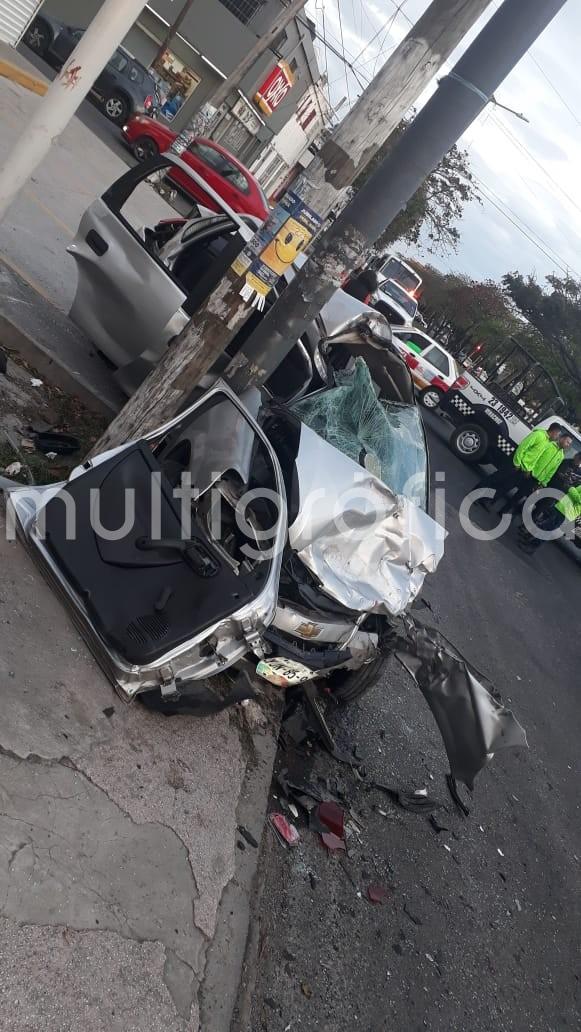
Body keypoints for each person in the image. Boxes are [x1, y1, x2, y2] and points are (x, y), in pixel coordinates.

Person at [475, 422, 563, 511]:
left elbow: (535, 458)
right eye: (558, 435)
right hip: (515, 464)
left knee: (504, 486)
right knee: (495, 478)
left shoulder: (547, 442)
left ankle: (485, 500)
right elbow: (522, 447)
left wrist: (529, 470)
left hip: (523, 470)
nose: (557, 438)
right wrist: (517, 463)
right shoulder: (538, 435)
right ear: (554, 432)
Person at [498, 431, 572, 516]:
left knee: (519, 496)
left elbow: (552, 471)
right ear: (562, 438)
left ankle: (503, 511)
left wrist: (543, 483)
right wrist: (529, 469)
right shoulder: (549, 444)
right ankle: (490, 500)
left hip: (535, 480)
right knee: (507, 486)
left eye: (569, 444)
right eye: (567, 442)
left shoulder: (561, 455)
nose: (568, 445)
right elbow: (536, 456)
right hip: (528, 472)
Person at [518, 483, 581, 554]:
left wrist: (571, 489)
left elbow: (579, 500)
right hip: (562, 507)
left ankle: (531, 547)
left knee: (547, 530)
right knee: (545, 526)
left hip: (568, 513)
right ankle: (529, 541)